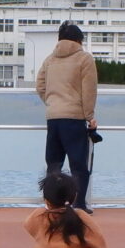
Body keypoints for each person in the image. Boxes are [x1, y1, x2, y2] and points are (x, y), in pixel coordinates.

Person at [34, 22, 97, 207]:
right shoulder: (84, 59)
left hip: (53, 118)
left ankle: (52, 204)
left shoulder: (49, 60)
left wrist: (52, 102)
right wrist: (89, 116)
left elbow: (40, 86)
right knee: (78, 166)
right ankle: (78, 206)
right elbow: (89, 91)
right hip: (74, 118)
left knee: (53, 165)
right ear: (79, 40)